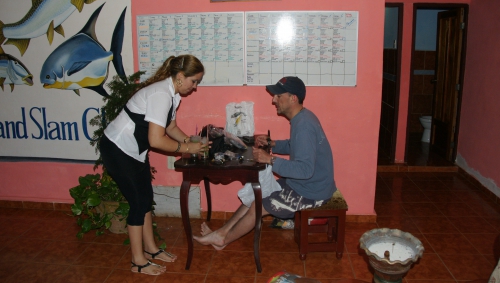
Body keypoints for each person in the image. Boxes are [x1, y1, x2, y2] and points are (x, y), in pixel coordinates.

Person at [193, 76, 336, 250]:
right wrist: (273, 144)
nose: (273, 99)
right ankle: (222, 233)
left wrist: (270, 159)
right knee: (256, 192)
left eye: (278, 95)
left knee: (258, 205)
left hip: (312, 192)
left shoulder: (304, 125)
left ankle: (223, 240)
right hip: (304, 185)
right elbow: (296, 146)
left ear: (293, 98)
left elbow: (305, 170)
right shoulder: (302, 118)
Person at [100, 54, 207, 276]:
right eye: (193, 81)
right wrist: (187, 149)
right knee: (138, 203)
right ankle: (137, 261)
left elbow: (170, 128)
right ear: (180, 76)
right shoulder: (161, 94)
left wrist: (191, 142)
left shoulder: (172, 94)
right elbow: (156, 140)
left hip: (134, 151)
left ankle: (151, 249)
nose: (195, 86)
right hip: (118, 149)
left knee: (146, 198)